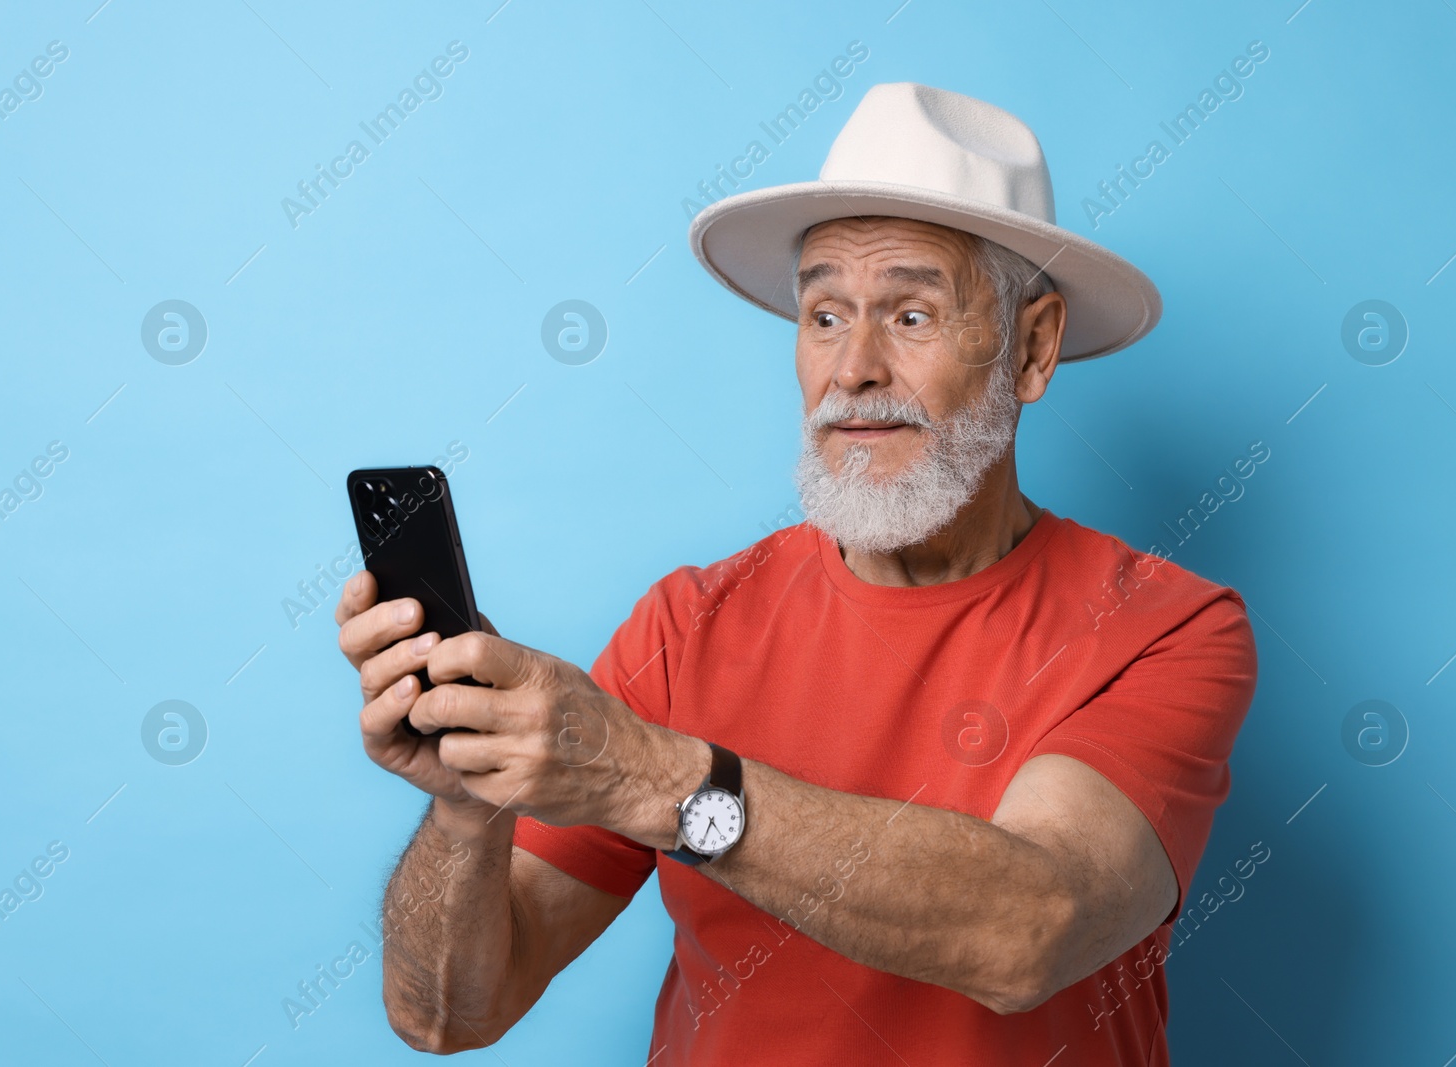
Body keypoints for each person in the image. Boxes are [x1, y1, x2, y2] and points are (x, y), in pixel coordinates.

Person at [335, 82, 1258, 1065]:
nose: (852, 368)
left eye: (910, 314)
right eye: (823, 315)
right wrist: (468, 804)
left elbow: (1029, 927)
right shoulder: (688, 624)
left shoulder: (1165, 627)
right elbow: (444, 1015)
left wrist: (648, 775)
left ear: (1031, 350)